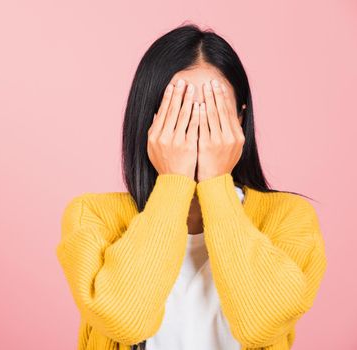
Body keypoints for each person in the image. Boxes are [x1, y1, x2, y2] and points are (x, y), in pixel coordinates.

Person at [55, 23, 327, 350]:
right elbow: (125, 322)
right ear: (148, 119)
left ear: (240, 119)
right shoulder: (92, 216)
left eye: (214, 110)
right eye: (178, 110)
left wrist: (215, 183)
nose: (197, 125)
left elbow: (262, 325)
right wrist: (173, 182)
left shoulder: (289, 218)